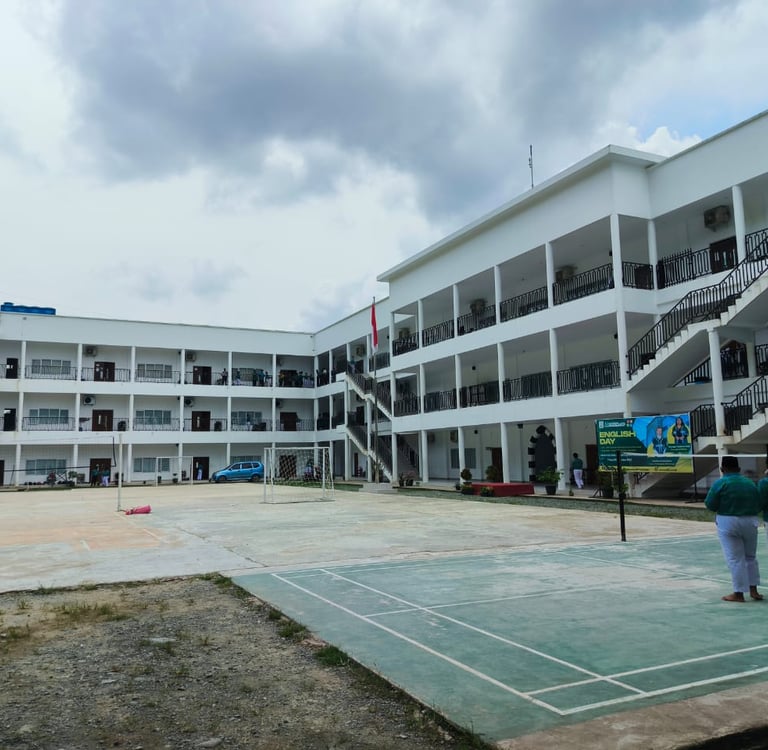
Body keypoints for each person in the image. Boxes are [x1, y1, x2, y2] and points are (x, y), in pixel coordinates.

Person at [705, 455, 762, 602]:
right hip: (750, 521)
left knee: (735, 559)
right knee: (751, 557)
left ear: (722, 469)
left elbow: (710, 504)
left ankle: (739, 593)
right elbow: (759, 503)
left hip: (728, 521)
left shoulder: (720, 483)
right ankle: (754, 590)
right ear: (739, 468)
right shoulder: (750, 483)